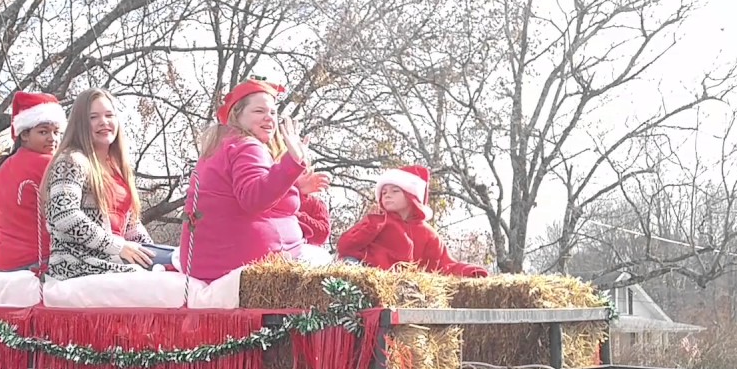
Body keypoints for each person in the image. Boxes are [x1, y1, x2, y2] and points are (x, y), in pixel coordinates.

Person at [176, 78, 331, 282]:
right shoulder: (247, 145)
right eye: (259, 111)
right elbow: (254, 198)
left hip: (209, 264)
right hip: (244, 265)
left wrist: (295, 186)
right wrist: (292, 162)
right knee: (324, 262)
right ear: (237, 115)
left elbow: (242, 192)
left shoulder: (222, 146)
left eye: (273, 112)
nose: (269, 118)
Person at [43, 88, 166, 279]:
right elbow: (64, 215)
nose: (104, 122)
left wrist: (152, 252)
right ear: (80, 124)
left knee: (176, 264)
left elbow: (131, 226)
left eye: (109, 115)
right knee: (159, 281)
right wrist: (118, 246)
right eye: (93, 117)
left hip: (115, 256)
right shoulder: (71, 160)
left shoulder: (118, 167)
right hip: (79, 262)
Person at [335, 165, 489, 277]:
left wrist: (470, 272)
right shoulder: (376, 222)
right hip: (371, 281)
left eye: (395, 191)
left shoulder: (429, 235)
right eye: (384, 192)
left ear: (411, 197)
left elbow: (444, 266)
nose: (387, 195)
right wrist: (371, 227)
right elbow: (345, 247)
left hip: (405, 290)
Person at [0, 92, 66, 272]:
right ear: (24, 134)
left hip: (4, 266)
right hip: (42, 263)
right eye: (43, 132)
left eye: (56, 132)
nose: (52, 138)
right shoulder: (51, 165)